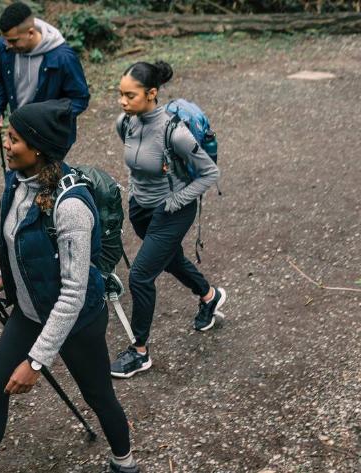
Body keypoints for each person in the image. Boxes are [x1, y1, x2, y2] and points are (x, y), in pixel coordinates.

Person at [0, 99, 138, 473]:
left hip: (77, 319)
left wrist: (36, 361)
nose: (6, 144)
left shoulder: (70, 207)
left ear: (39, 148)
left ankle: (124, 463)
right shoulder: (18, 181)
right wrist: (6, 280)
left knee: (98, 396)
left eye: (14, 139)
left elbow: (73, 294)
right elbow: (18, 241)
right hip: (30, 311)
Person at [109, 61, 226, 379]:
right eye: (120, 94)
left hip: (173, 211)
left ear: (152, 94)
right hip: (141, 209)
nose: (122, 101)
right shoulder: (127, 122)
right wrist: (135, 193)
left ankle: (139, 352)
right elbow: (138, 162)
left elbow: (210, 173)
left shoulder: (175, 132)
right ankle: (210, 296)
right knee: (171, 260)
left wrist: (175, 199)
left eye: (129, 95)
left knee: (141, 276)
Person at [0, 2, 90, 143]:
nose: (8, 46)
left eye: (13, 41)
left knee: (44, 166)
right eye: (6, 40)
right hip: (20, 128)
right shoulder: (5, 46)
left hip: (50, 136)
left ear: (30, 32)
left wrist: (50, 118)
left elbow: (80, 98)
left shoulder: (63, 57)